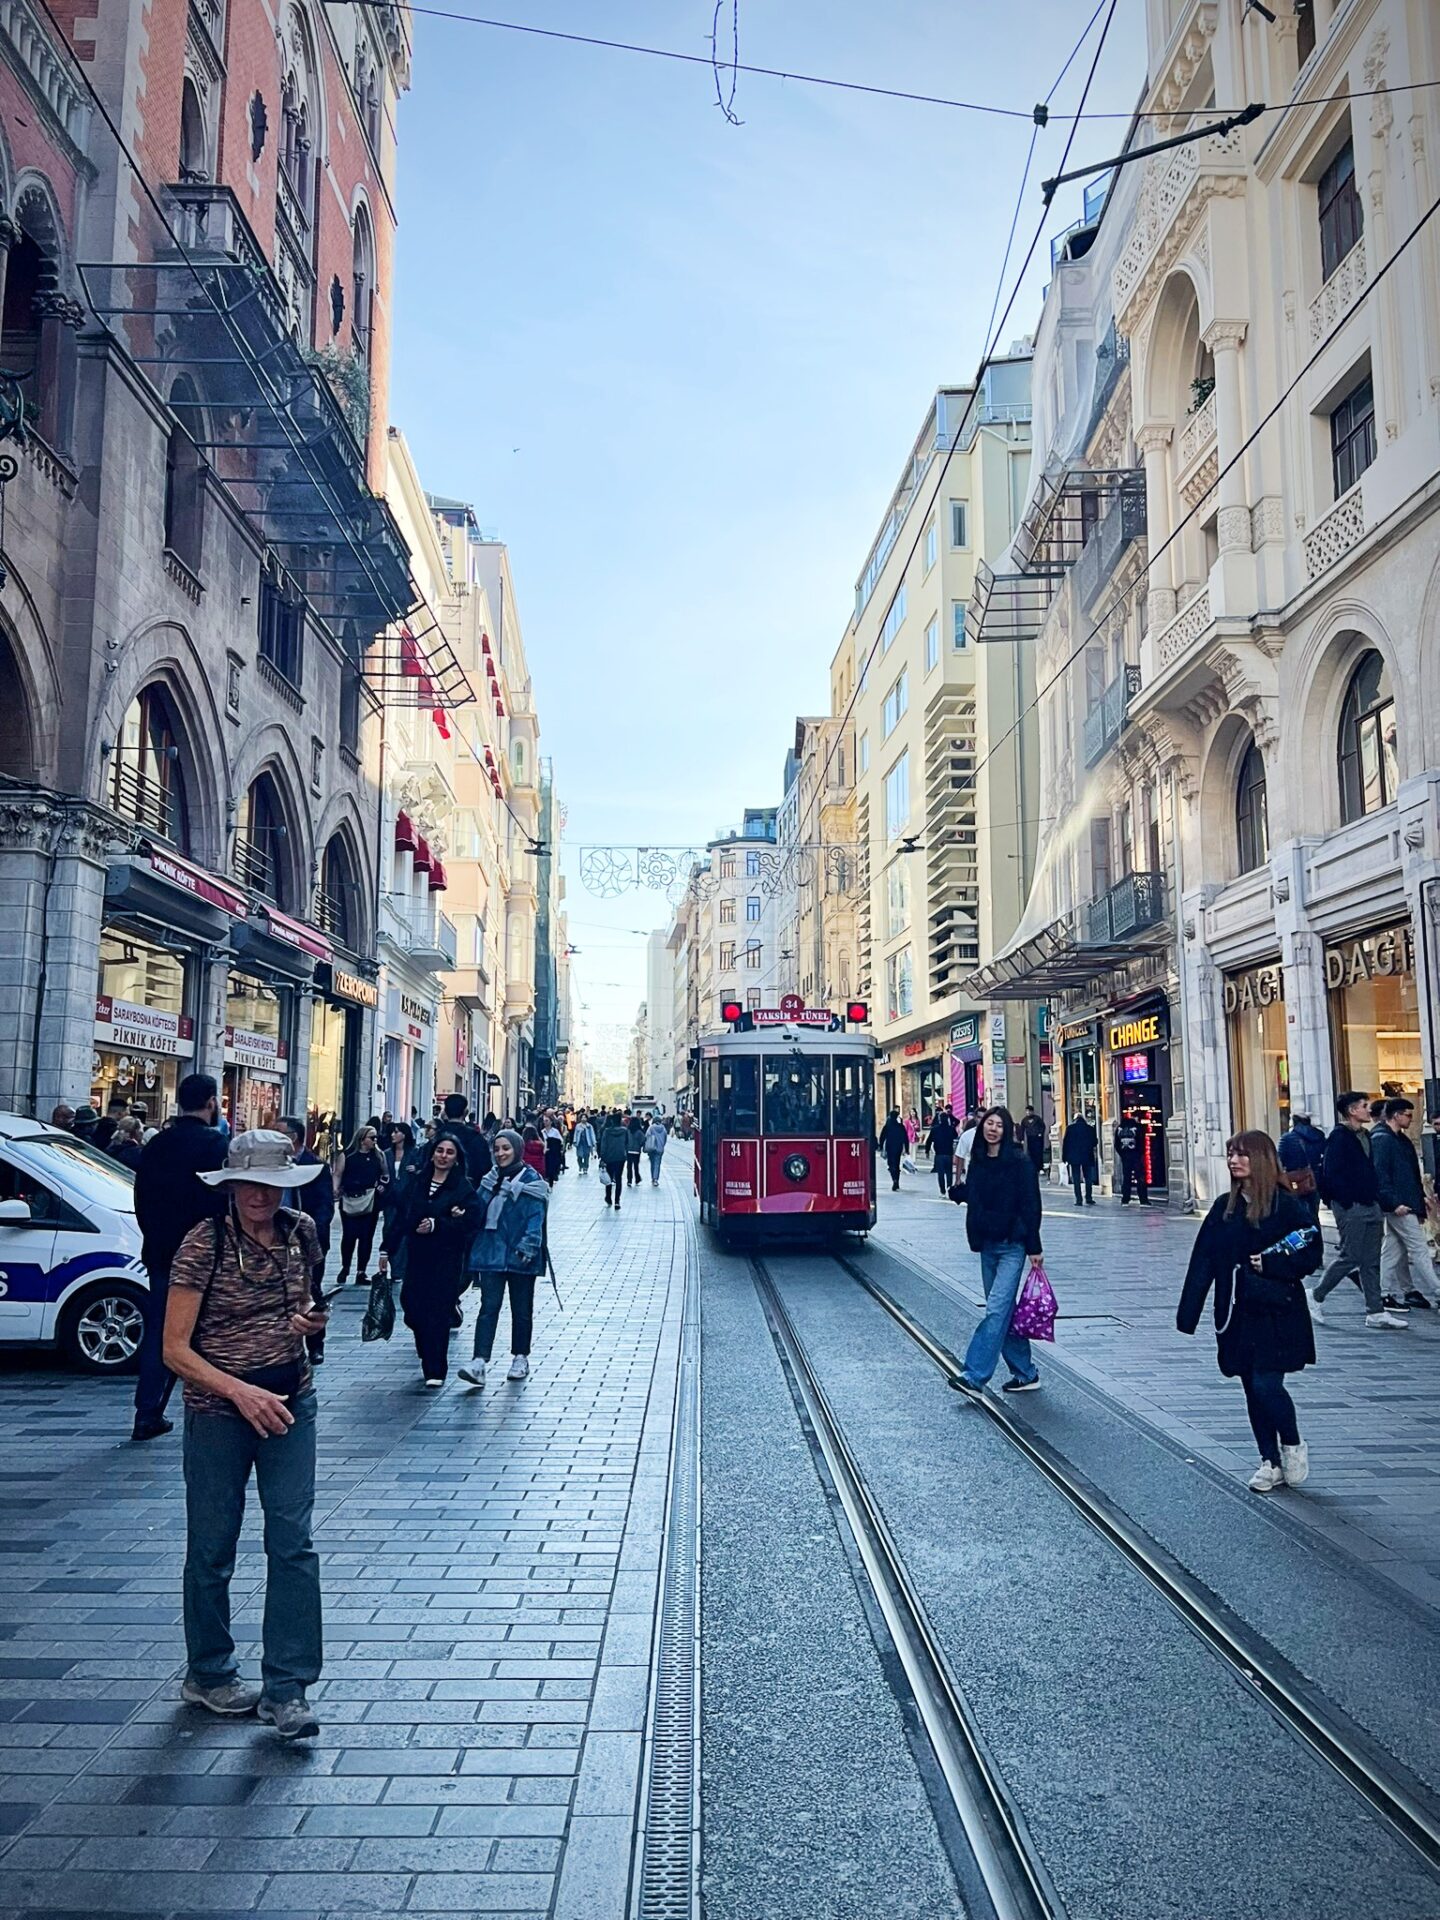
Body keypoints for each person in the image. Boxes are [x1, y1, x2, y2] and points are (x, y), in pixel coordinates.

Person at [164, 1130, 329, 1738]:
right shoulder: (203, 1245)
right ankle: (208, 1671)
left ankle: (287, 1689)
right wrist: (239, 1390)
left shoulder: (301, 1232)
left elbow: (304, 1305)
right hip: (219, 1412)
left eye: (273, 1183)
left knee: (293, 1542)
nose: (261, 1194)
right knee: (212, 1544)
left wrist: (311, 1320)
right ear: (230, 1185)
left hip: (291, 1403)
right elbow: (174, 1349)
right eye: (250, 1182)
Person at [1177, 1131, 1323, 1493]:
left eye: (1242, 1155)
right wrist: (1189, 1313)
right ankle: (1268, 1460)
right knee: (1250, 1388)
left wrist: (1270, 1263)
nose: (1233, 1161)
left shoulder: (1286, 1204)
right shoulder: (1225, 1206)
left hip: (1277, 1309)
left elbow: (1311, 1252)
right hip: (1236, 1310)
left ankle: (1291, 1442)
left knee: (1266, 1383)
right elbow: (1204, 1260)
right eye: (1230, 1154)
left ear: (1261, 1159)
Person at [131, 1073, 228, 1443]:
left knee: (161, 1330)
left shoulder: (157, 1144)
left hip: (161, 1251)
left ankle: (147, 1411)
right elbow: (221, 1202)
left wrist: (153, 1237)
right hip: (203, 1254)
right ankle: (215, 1404)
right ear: (211, 1102)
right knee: (211, 1328)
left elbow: (140, 1197)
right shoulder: (215, 1144)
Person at [951, 1106, 1044, 1396]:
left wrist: (1034, 1247)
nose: (993, 1129)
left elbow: (1030, 1204)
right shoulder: (978, 1162)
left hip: (1012, 1246)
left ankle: (974, 1374)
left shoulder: (1019, 1162)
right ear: (981, 1128)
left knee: (995, 1310)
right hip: (987, 1246)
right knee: (1004, 1311)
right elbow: (980, 1196)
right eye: (989, 1124)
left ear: (1007, 1131)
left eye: (999, 1125)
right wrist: (960, 1193)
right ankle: (1026, 1373)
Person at [377, 1136, 482, 1387]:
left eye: (449, 1152)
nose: (444, 1156)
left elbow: (471, 1221)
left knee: (437, 1311)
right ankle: (426, 1347)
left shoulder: (462, 1188)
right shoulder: (417, 1183)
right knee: (412, 1307)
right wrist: (385, 1250)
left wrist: (440, 1223)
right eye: (440, 1151)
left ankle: (435, 1369)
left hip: (446, 1258)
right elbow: (401, 1217)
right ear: (433, 1154)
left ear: (457, 1159)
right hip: (418, 1255)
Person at [459, 1128, 550, 1389]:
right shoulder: (490, 1179)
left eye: (506, 1148)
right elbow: (477, 1211)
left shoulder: (533, 1180)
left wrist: (529, 1246)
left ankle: (520, 1357)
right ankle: (479, 1362)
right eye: (497, 1149)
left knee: (522, 1310)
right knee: (488, 1308)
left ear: (517, 1149)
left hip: (521, 1255)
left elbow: (536, 1217)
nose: (500, 1154)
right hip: (491, 1253)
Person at [1311, 1092, 1405, 1329]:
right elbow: (1330, 1174)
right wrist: (1344, 1201)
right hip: (1351, 1206)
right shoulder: (1339, 1138)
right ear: (1352, 1111)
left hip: (1370, 1204)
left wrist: (1375, 1198)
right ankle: (1315, 1295)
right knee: (1350, 1255)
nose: (1368, 1110)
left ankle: (1375, 1310)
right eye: (1364, 1106)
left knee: (1371, 1260)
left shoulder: (1365, 1135)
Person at [1371, 1097, 1440, 1313]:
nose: (1411, 1119)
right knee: (1418, 1248)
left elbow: (1409, 1175)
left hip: (1404, 1203)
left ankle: (1382, 1292)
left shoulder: (1398, 1139)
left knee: (1394, 1248)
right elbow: (1381, 1175)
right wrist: (1393, 1203)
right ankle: (1437, 1290)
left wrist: (1420, 1201)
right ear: (1396, 1115)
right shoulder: (1384, 1139)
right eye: (1408, 1115)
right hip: (1400, 1205)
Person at [282, 1117, 335, 1364]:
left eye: (279, 1134)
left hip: (306, 1240)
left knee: (310, 1291)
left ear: (294, 1138)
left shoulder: (315, 1166)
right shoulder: (274, 1166)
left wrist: (314, 1233)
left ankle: (316, 1344)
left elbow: (325, 1205)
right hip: (277, 1238)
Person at [333, 1124, 387, 1286]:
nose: (375, 1140)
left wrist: (382, 1185)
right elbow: (338, 1174)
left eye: (376, 1137)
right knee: (349, 1236)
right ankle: (345, 1266)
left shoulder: (378, 1155)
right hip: (350, 1198)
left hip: (370, 1199)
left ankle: (361, 1271)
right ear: (362, 1139)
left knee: (366, 1237)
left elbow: (385, 1174)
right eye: (372, 1137)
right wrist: (335, 1189)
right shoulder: (348, 1155)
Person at [1277, 1111, 1327, 1224]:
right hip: (1315, 1179)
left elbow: (1279, 1161)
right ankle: (1316, 1238)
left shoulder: (1287, 1138)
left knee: (1297, 1214)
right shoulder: (1319, 1136)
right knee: (1314, 1213)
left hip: (1295, 1181)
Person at [435, 1093, 493, 1187]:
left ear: (445, 1112)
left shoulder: (437, 1136)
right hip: (469, 1189)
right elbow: (485, 1167)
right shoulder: (476, 1138)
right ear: (465, 1112)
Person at [1061, 1107, 1098, 1206]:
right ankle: (1089, 1197)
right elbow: (1095, 1142)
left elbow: (1065, 1144)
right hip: (1087, 1155)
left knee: (1076, 1178)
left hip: (1074, 1157)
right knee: (1088, 1177)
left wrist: (1064, 1157)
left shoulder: (1070, 1128)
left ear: (1075, 1120)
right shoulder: (1090, 1129)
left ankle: (1078, 1199)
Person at [1114, 1111, 1149, 1205]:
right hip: (1136, 1156)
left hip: (1125, 1156)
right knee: (1140, 1177)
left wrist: (1122, 1154)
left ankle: (1125, 1198)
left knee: (1126, 1178)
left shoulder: (1119, 1128)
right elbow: (1142, 1141)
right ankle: (1143, 1199)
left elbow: (1116, 1145)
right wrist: (1140, 1153)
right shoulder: (1137, 1128)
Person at [599, 1110, 631, 1209]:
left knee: (609, 1178)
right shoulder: (624, 1131)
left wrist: (602, 1157)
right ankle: (617, 1201)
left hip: (609, 1157)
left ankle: (608, 1197)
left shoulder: (607, 1131)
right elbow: (627, 1143)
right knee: (618, 1178)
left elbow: (603, 1145)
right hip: (620, 1157)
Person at [924, 1105, 958, 1196]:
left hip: (939, 1154)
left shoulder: (935, 1129)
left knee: (941, 1174)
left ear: (939, 1119)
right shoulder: (951, 1129)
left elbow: (928, 1141)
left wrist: (927, 1151)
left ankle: (942, 1191)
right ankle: (949, 1189)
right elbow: (955, 1136)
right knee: (949, 1173)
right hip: (949, 1154)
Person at [878, 1108, 908, 1192]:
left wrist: (880, 1146)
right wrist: (907, 1148)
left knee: (891, 1164)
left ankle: (894, 1179)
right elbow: (905, 1138)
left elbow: (882, 1137)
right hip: (898, 1147)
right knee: (897, 1164)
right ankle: (897, 1181)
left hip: (890, 1147)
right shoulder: (900, 1126)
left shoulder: (887, 1126)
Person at [1018, 1106, 1046, 1174]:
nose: (1028, 1112)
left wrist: (1040, 1133)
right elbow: (1022, 1130)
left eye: (1029, 1111)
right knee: (1030, 1153)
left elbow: (1043, 1126)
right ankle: (1032, 1168)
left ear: (1032, 1111)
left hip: (1038, 1138)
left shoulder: (1037, 1119)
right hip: (1030, 1138)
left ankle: (1040, 1168)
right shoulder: (1024, 1120)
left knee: (1038, 1153)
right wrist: (1022, 1139)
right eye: (1027, 1111)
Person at [644, 1112, 668, 1186]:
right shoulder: (663, 1128)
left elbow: (647, 1136)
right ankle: (655, 1178)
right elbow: (665, 1138)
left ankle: (653, 1178)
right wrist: (662, 1145)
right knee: (657, 1164)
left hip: (652, 1148)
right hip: (660, 1149)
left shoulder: (651, 1128)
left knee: (652, 1163)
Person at [625, 1110, 646, 1187]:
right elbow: (643, 1140)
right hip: (637, 1151)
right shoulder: (639, 1132)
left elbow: (625, 1140)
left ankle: (629, 1180)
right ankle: (637, 1179)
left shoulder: (628, 1131)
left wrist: (626, 1146)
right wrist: (640, 1145)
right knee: (636, 1166)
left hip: (629, 1150)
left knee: (629, 1166)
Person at [542, 1118, 565, 1187]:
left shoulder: (555, 1131)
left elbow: (560, 1141)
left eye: (547, 1121)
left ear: (551, 1122)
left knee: (551, 1167)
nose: (545, 1122)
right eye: (544, 1121)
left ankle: (551, 1181)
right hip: (544, 1152)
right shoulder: (542, 1131)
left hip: (552, 1152)